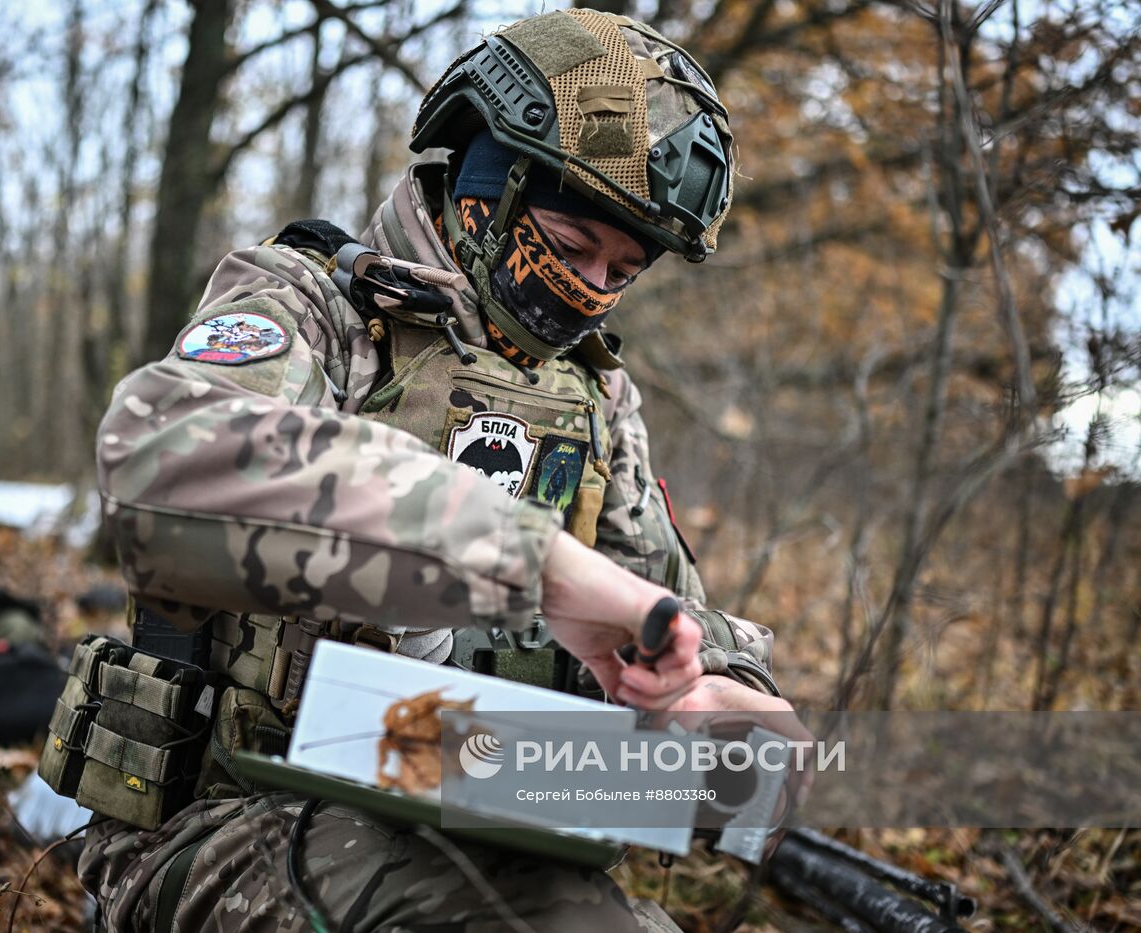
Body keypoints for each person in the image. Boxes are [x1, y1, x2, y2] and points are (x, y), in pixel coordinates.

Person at [75, 10, 797, 930]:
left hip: (470, 796)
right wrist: (525, 557)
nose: (590, 291)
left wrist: (726, 694)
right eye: (572, 248)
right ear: (476, 186)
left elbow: (661, 601)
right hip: (216, 815)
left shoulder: (593, 398)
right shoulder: (312, 310)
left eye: (624, 269)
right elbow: (155, 459)